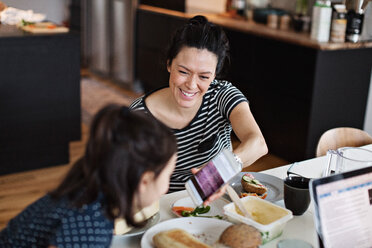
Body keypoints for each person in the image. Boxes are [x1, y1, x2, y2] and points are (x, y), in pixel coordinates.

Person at [130, 15, 268, 199]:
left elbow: (258, 143)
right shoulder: (138, 116)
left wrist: (220, 170)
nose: (191, 85)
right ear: (169, 64)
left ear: (214, 76)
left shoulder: (221, 95)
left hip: (219, 200)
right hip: (162, 206)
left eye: (203, 76)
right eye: (183, 72)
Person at [0, 105, 177, 247]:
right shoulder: (89, 224)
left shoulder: (92, 191)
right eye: (168, 176)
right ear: (144, 181)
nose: (167, 187)